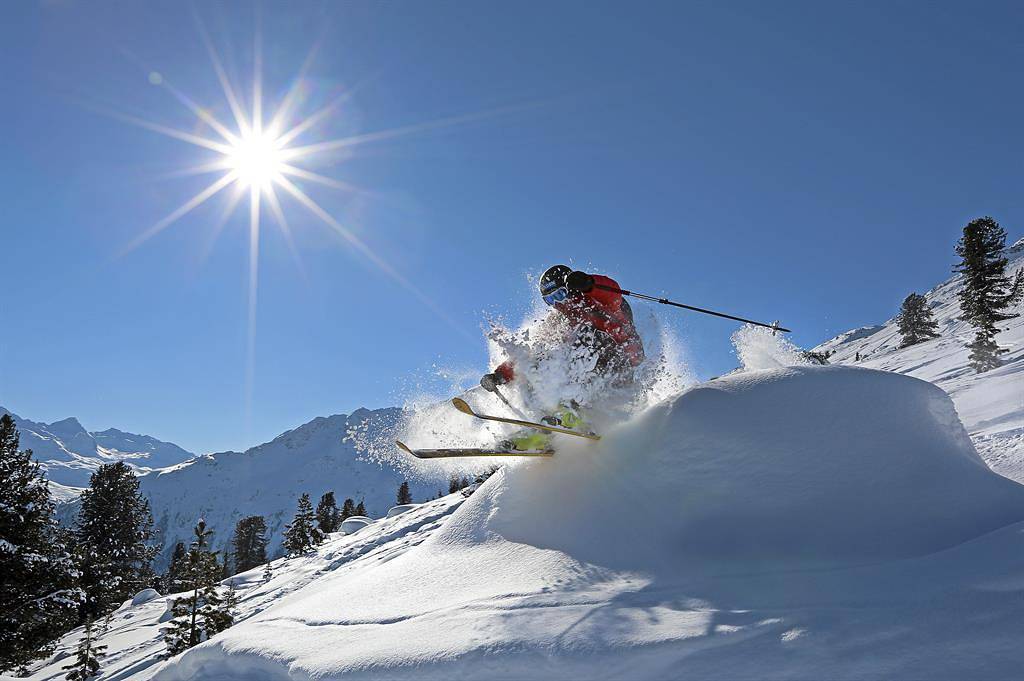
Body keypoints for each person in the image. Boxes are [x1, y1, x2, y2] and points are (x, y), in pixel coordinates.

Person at [478, 266, 645, 449]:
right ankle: (544, 430)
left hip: (618, 366)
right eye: (550, 300)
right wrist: (501, 375)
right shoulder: (558, 323)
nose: (557, 304)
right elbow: (532, 353)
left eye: (560, 295)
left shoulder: (597, 302)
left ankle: (571, 409)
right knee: (544, 356)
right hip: (588, 383)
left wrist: (588, 283)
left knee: (586, 334)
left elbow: (613, 293)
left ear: (572, 288)